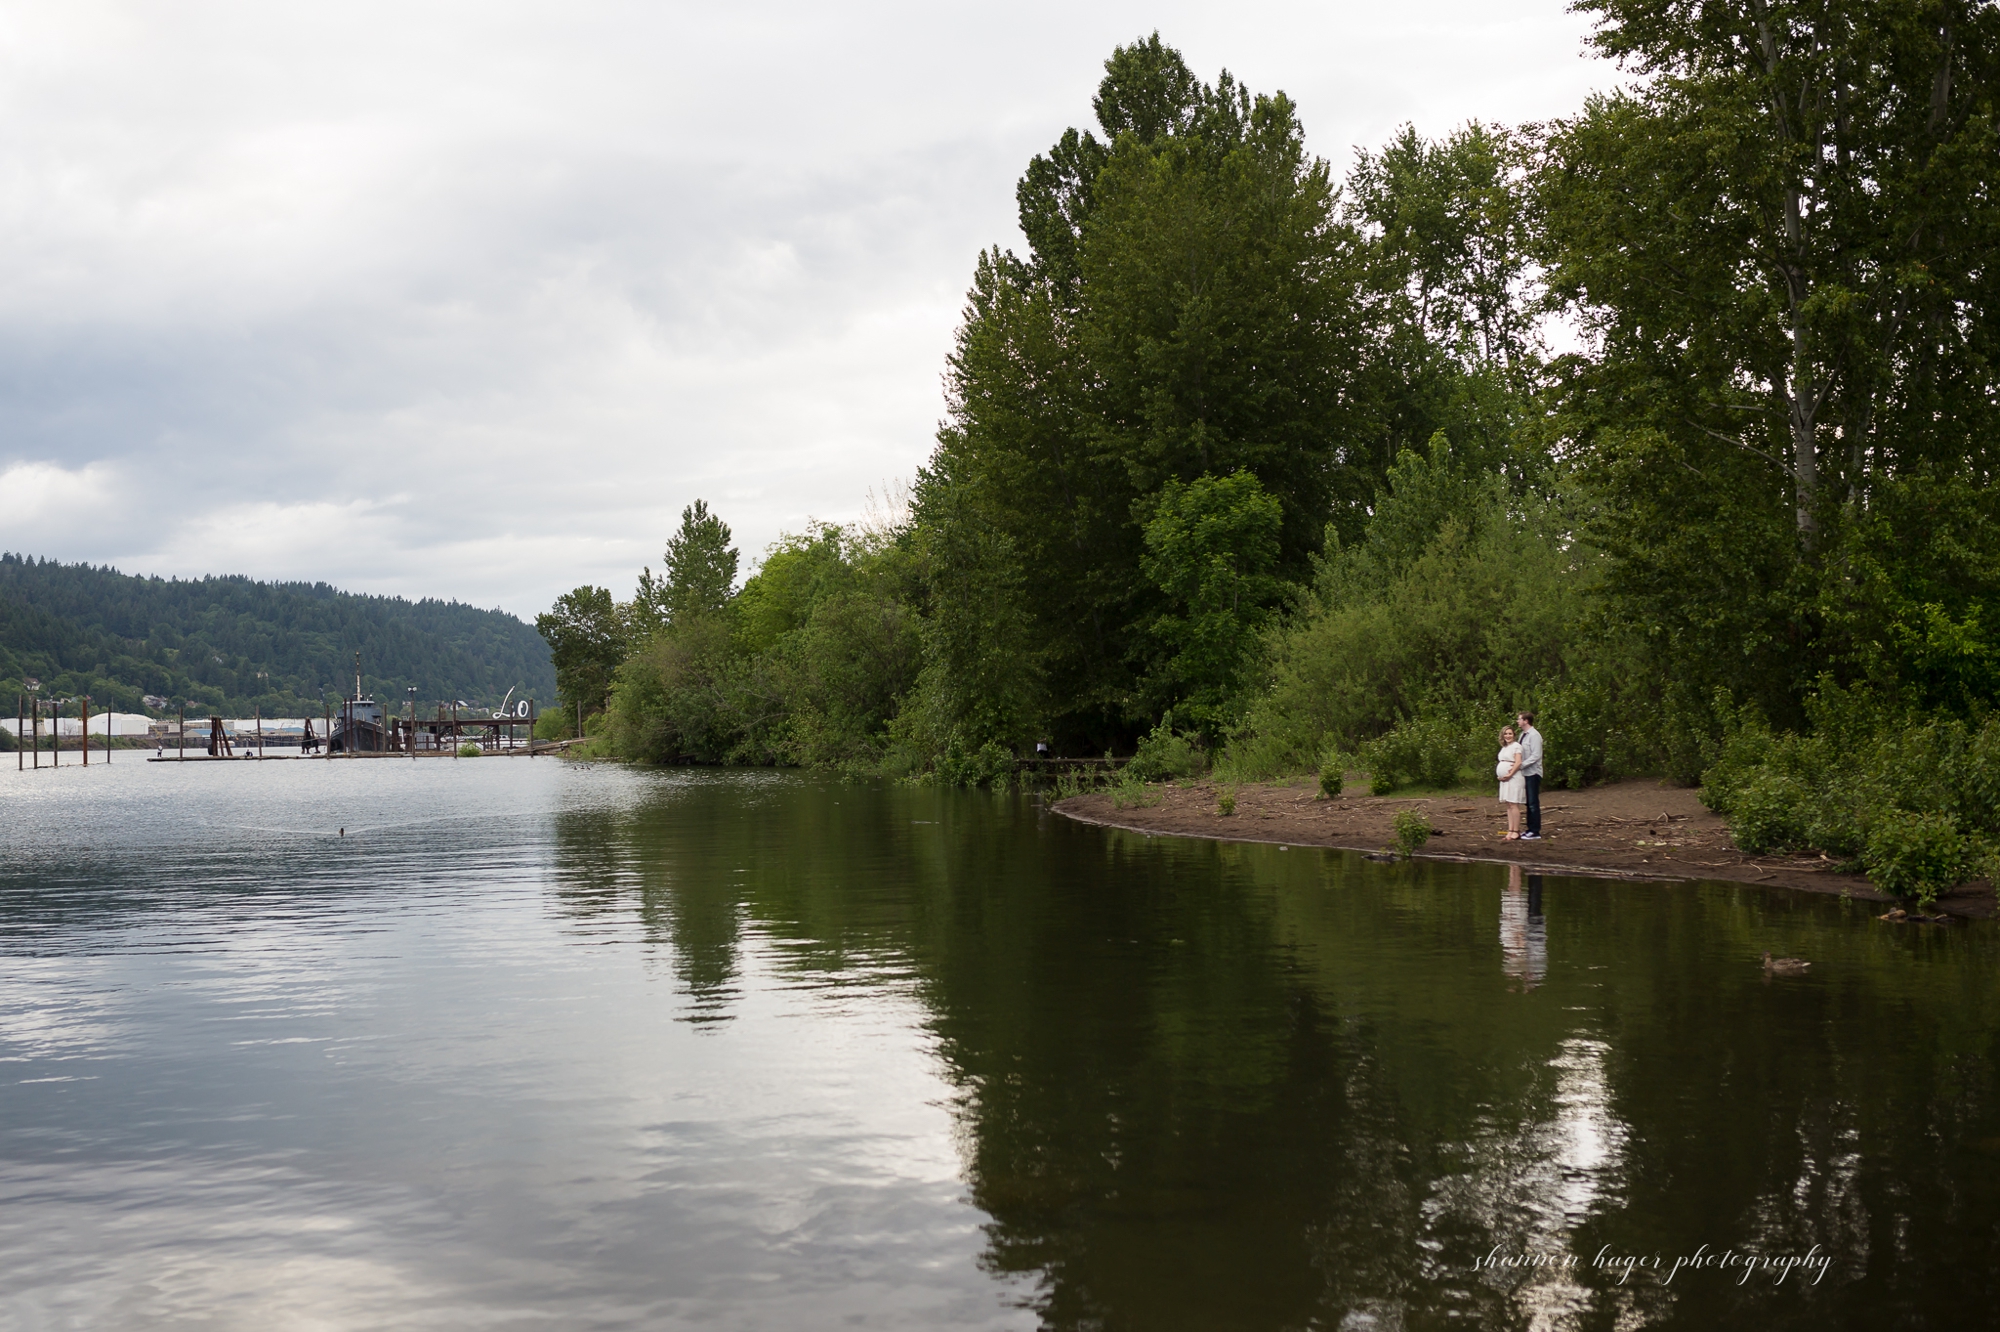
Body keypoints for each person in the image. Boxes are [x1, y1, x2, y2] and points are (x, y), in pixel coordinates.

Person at [1515, 711, 1544, 839]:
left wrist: (1521, 765)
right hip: (1525, 773)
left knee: (1533, 802)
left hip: (1533, 772)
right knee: (1528, 802)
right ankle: (1529, 829)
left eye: (1519, 719)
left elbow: (1536, 755)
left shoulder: (1534, 735)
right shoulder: (1523, 735)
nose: (1518, 721)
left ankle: (1535, 830)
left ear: (1526, 721)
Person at [1496, 725, 1526, 839]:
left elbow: (1518, 762)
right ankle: (1510, 830)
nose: (1508, 736)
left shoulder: (1516, 746)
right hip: (1505, 779)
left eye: (1510, 733)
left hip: (1514, 778)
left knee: (1514, 804)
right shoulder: (1504, 747)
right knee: (1508, 804)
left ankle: (1516, 831)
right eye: (1505, 734)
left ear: (1514, 735)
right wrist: (1501, 775)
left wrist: (1509, 774)